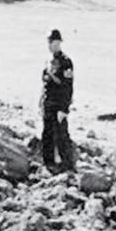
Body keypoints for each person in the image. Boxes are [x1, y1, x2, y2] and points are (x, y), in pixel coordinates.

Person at [40, 29, 75, 172]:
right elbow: (45, 83)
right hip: (48, 103)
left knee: (61, 135)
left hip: (58, 105)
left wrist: (64, 109)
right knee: (47, 134)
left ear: (59, 43)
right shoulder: (48, 60)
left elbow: (67, 87)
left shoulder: (65, 62)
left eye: (53, 42)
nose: (50, 45)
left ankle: (67, 166)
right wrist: (41, 100)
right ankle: (48, 163)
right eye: (49, 42)